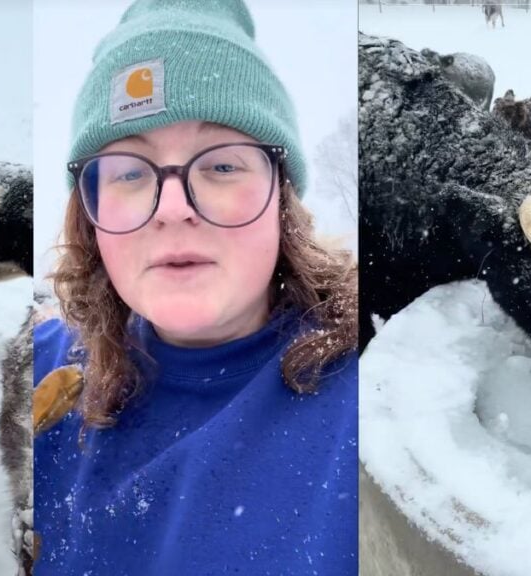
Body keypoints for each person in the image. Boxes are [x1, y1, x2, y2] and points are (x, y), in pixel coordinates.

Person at [33, 0, 358, 573]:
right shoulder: (36, 380)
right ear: (90, 213)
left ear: (282, 197)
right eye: (130, 172)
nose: (175, 208)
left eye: (223, 166)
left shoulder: (375, 398)